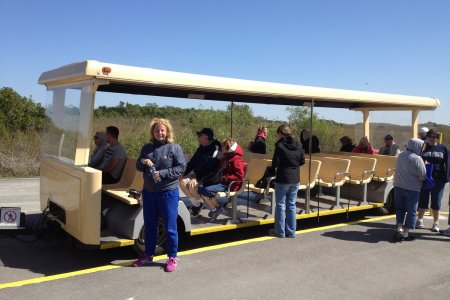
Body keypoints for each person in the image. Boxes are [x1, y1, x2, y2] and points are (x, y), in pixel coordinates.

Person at [132, 118, 186, 272]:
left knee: (170, 227)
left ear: (167, 131)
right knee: (150, 226)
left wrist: (162, 173)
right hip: (149, 193)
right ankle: (148, 254)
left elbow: (182, 167)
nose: (160, 133)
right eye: (156, 130)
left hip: (168, 192)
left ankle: (172, 257)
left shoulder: (174, 148)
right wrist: (143, 162)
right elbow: (138, 166)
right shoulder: (147, 148)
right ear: (153, 132)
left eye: (162, 130)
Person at [269, 124, 305, 238]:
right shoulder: (298, 145)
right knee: (291, 205)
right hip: (295, 178)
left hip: (283, 178)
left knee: (280, 205)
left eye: (277, 134)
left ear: (280, 133)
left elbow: (275, 163)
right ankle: (291, 231)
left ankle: (280, 232)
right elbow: (302, 161)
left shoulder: (279, 146)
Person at [198, 138, 245, 222]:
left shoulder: (236, 159)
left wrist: (224, 177)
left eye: (222, 146)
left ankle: (217, 208)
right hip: (222, 181)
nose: (221, 148)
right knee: (201, 186)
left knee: (206, 190)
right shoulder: (226, 156)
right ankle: (215, 209)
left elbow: (240, 176)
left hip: (230, 185)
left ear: (228, 148)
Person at [179, 128, 221, 216]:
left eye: (199, 135)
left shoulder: (216, 149)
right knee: (182, 182)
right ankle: (197, 204)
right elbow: (193, 162)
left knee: (192, 187)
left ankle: (203, 204)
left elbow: (211, 168)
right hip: (198, 176)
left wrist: (197, 179)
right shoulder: (201, 148)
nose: (197, 137)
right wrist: (184, 173)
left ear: (206, 137)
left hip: (209, 178)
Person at [416, 129, 450, 232]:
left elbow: (448, 163)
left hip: (438, 179)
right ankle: (420, 220)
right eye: (430, 136)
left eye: (435, 136)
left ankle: (436, 223)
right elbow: (417, 161)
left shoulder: (443, 148)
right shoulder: (423, 147)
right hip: (425, 178)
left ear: (438, 138)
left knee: (436, 201)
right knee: (423, 199)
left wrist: (447, 177)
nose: (432, 138)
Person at [393, 138, 426, 241]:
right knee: (411, 211)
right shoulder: (417, 159)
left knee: (400, 208)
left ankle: (399, 228)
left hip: (398, 186)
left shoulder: (401, 155)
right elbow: (423, 175)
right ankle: (406, 233)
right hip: (412, 189)